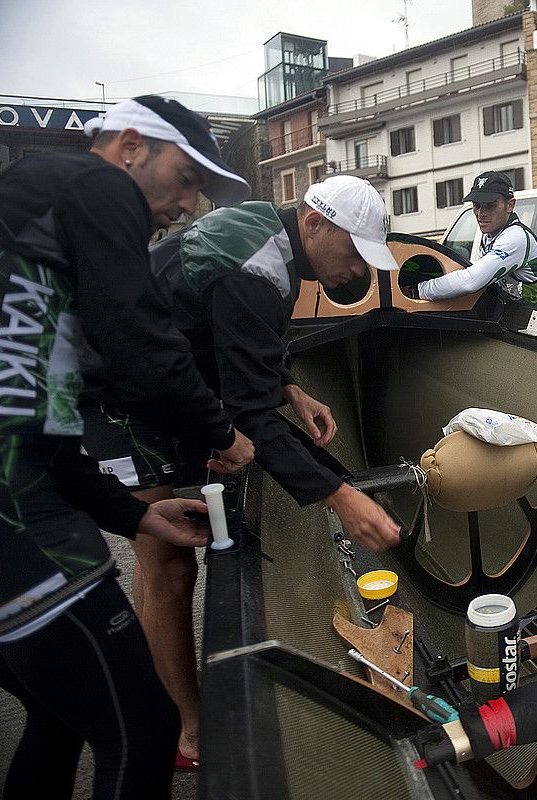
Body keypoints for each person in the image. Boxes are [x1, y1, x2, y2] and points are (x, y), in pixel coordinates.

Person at [80, 174, 403, 767]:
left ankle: (169, 694)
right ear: (314, 222)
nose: (359, 270)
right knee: (167, 561)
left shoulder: (267, 234)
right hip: (116, 388)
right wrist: (342, 499)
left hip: (163, 376)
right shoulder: (256, 264)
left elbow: (240, 342)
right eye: (354, 250)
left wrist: (292, 389)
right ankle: (188, 732)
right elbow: (249, 411)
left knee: (165, 563)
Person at [0, 95, 256, 799]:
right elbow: (143, 349)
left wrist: (136, 516)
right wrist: (227, 435)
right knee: (144, 729)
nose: (187, 204)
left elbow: (27, 425)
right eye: (186, 178)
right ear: (131, 145)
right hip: (13, 520)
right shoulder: (95, 185)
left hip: (15, 488)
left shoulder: (36, 220)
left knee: (58, 716)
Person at [414, 171, 537, 304]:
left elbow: (470, 281)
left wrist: (419, 290)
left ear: (510, 205)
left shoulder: (516, 238)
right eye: (476, 205)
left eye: (490, 206)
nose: (481, 213)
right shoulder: (490, 235)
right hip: (515, 316)